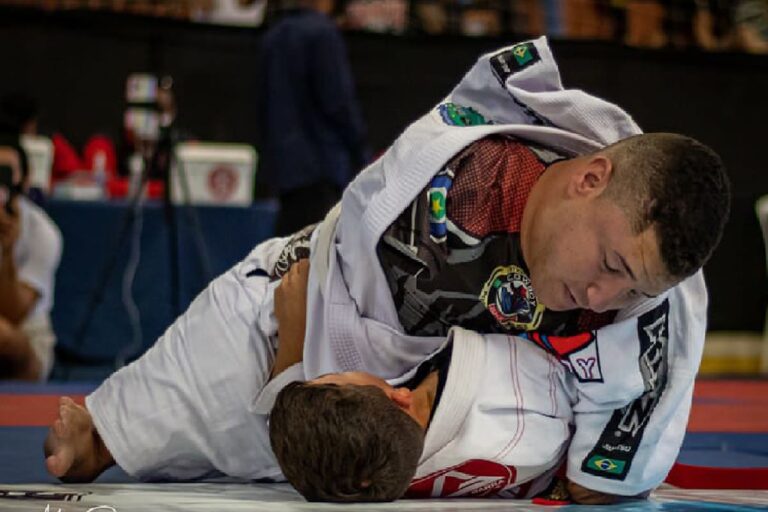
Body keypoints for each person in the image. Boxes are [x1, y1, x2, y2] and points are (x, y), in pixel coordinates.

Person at [44, 37, 729, 503]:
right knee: (245, 347)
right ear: (590, 178)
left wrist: (555, 461)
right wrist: (294, 359)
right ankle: (110, 431)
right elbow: (325, 373)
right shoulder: (436, 205)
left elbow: (607, 475)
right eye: (608, 264)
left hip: (512, 384)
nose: (602, 295)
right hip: (342, 314)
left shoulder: (656, 297)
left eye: (631, 287)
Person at [258, 0, 370, 236]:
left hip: (284, 171)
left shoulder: (273, 35)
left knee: (289, 255)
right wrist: (361, 152)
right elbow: (338, 102)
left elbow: (263, 104)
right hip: (320, 167)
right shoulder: (322, 34)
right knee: (318, 257)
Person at [0, 138, 63, 380]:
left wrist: (7, 251)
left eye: (6, 173)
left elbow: (13, 314)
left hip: (27, 336)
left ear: (25, 181)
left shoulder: (42, 232)